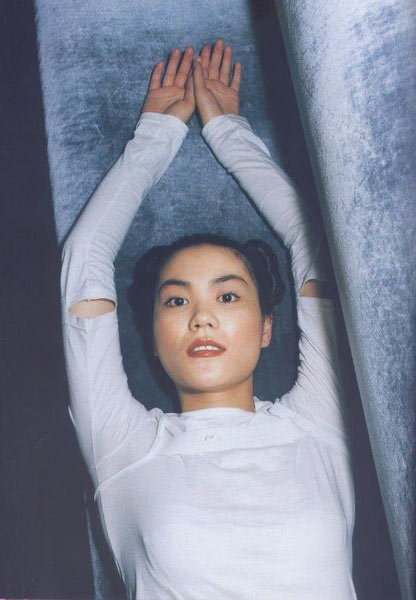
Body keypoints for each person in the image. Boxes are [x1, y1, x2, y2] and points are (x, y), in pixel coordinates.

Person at [60, 39, 356, 599]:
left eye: (228, 297)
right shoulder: (124, 446)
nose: (201, 318)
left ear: (266, 328)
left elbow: (317, 246)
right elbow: (83, 266)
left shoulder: (319, 424)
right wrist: (153, 138)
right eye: (176, 301)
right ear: (152, 335)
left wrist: (230, 134)